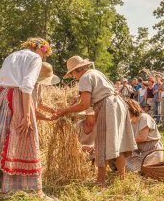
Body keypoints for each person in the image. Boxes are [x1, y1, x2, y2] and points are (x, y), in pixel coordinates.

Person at [0, 37, 51, 196]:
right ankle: (24, 189)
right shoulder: (35, 58)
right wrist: (26, 115)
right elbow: (27, 85)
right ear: (40, 49)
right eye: (44, 53)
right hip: (17, 99)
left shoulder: (12, 56)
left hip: (0, 97)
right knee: (22, 137)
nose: (44, 56)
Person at [55, 56, 136, 187]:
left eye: (72, 74)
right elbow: (97, 94)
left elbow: (85, 105)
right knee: (119, 141)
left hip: (107, 106)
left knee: (101, 143)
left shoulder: (84, 78)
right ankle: (122, 179)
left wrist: (65, 110)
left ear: (76, 71)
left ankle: (100, 181)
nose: (74, 77)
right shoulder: (96, 73)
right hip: (118, 104)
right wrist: (78, 98)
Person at [125, 100, 163, 172]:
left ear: (132, 109)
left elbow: (142, 137)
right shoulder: (132, 122)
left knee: (127, 166)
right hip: (141, 153)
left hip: (152, 153)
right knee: (121, 160)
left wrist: (125, 140)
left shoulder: (144, 118)